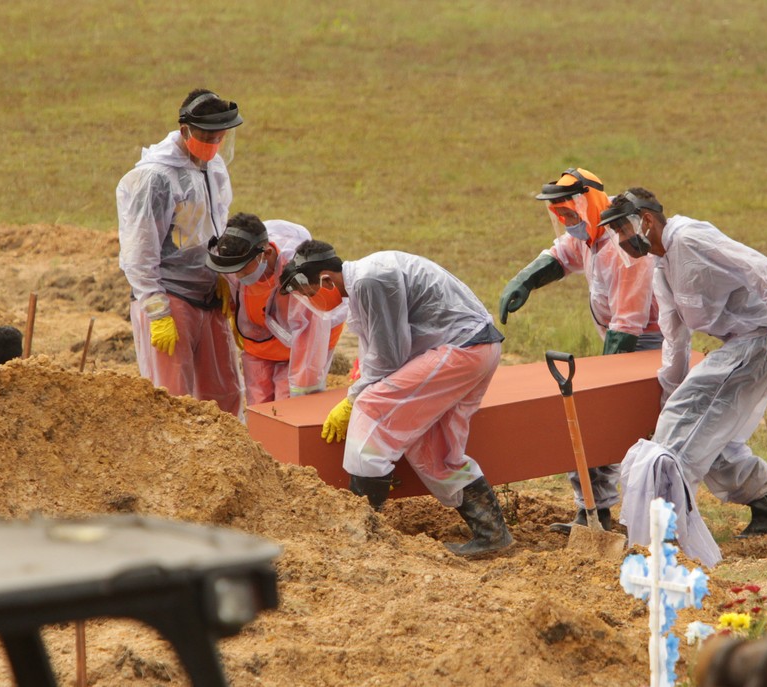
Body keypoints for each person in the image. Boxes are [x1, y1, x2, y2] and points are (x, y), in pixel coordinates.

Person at [599, 188, 767, 566]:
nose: (622, 242)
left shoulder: (691, 238)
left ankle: (667, 534)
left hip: (758, 340)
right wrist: (670, 388)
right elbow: (674, 334)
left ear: (645, 220)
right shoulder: (662, 266)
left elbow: (757, 266)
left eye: (623, 230)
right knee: (704, 433)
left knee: (680, 434)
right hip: (735, 345)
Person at [278, 240, 513, 556]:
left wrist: (352, 400)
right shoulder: (364, 282)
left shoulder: (370, 279)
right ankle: (492, 534)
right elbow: (379, 352)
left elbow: (389, 357)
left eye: (310, 294)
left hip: (461, 349)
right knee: (436, 447)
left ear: (326, 280)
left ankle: (361, 530)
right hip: (477, 348)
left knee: (371, 409)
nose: (313, 301)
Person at [499, 167, 661, 533]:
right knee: (594, 424)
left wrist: (606, 381)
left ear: (589, 204)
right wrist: (523, 280)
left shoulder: (624, 249)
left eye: (571, 214)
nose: (568, 223)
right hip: (623, 340)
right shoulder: (589, 236)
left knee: (672, 430)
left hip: (648, 346)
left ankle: (763, 502)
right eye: (563, 217)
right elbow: (560, 255)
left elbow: (628, 322)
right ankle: (594, 514)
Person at [116, 88, 245, 419]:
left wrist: (222, 275)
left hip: (207, 294)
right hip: (170, 297)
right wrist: (158, 312)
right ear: (185, 130)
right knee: (174, 399)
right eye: (208, 137)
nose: (214, 145)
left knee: (225, 393)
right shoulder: (155, 179)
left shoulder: (213, 168)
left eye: (220, 138)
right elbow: (139, 253)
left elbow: (216, 224)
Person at [205, 212, 347, 407]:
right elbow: (236, 287)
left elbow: (309, 339)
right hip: (260, 340)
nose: (237, 275)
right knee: (258, 403)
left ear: (267, 254)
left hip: (305, 341)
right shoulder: (236, 255)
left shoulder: (299, 276)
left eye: (242, 269)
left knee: (286, 403)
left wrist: (302, 396)